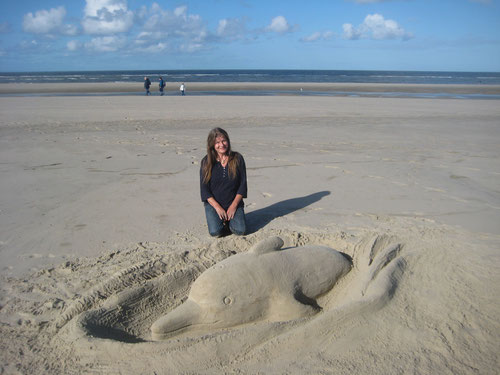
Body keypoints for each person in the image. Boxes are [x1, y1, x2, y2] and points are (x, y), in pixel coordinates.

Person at [200, 128, 247, 237]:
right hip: (214, 204)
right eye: (217, 142)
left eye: (224, 141)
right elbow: (204, 189)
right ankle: (220, 219)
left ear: (228, 141)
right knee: (215, 232)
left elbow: (242, 184)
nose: (221, 145)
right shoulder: (206, 162)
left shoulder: (237, 158)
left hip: (233, 202)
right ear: (212, 144)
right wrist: (217, 207)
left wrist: (234, 206)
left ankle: (231, 219)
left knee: (240, 231)